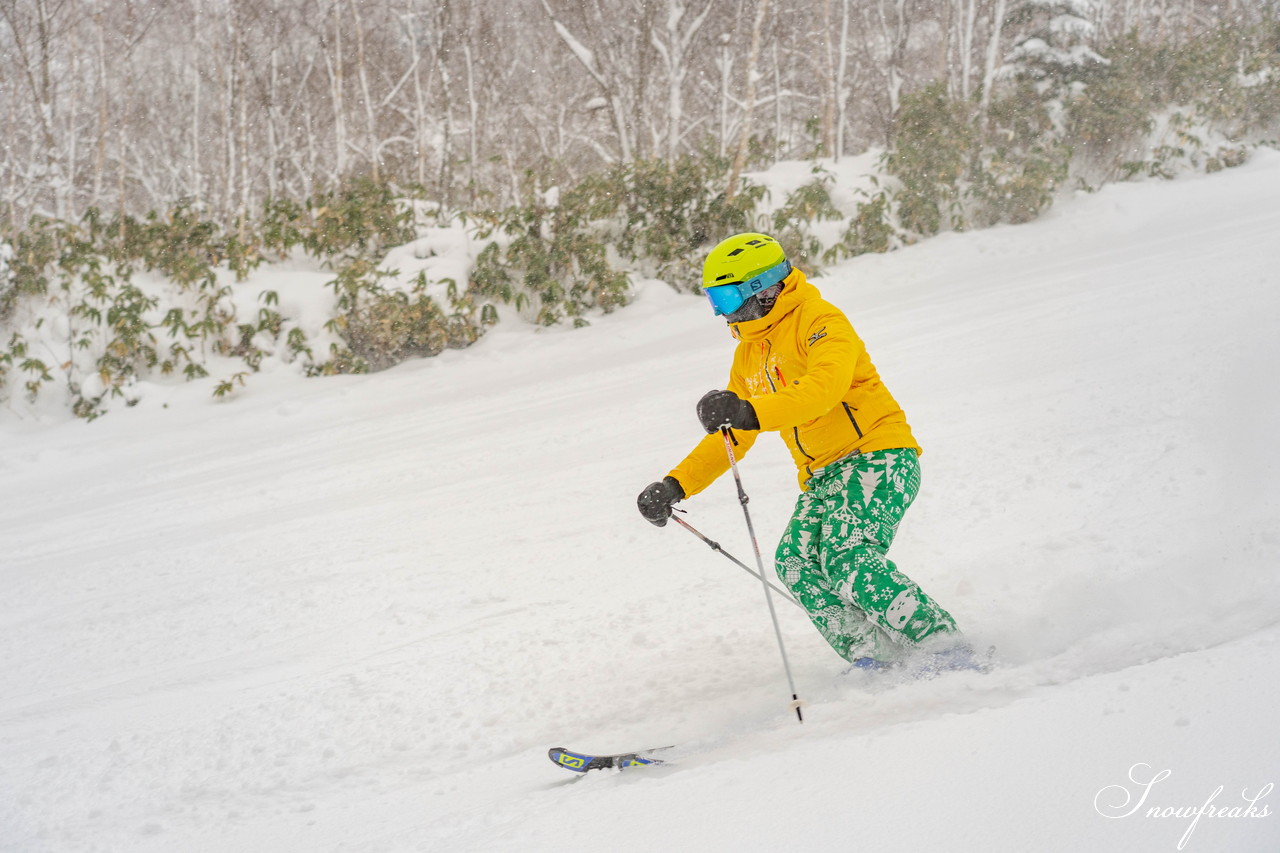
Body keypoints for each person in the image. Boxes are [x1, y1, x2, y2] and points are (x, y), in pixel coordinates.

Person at [637, 232, 973, 672]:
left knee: (846, 555)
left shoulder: (820, 321)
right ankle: (878, 658)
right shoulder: (749, 354)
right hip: (823, 476)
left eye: (727, 295)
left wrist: (747, 409)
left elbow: (822, 391)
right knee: (794, 562)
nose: (722, 311)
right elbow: (733, 434)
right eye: (714, 299)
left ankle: (947, 649)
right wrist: (675, 484)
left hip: (878, 455)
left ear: (764, 287)